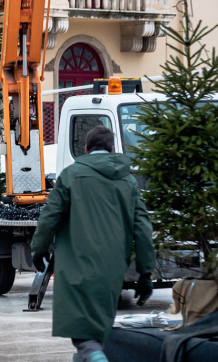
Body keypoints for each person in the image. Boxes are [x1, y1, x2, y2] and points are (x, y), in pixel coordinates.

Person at [30, 125, 155, 362]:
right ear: (111, 149)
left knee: (83, 332)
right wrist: (145, 272)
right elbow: (143, 228)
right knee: (99, 327)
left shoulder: (70, 175)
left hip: (76, 264)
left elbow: (50, 215)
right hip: (113, 266)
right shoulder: (128, 180)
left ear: (86, 149)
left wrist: (40, 248)